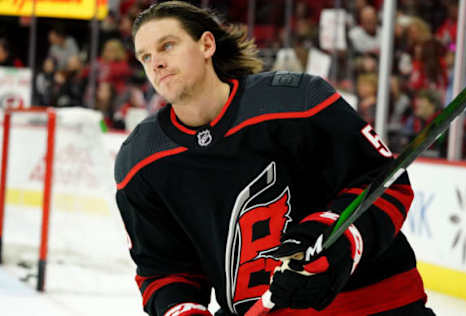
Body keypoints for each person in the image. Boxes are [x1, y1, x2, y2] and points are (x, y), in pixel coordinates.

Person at [114, 2, 434, 316]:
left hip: (375, 305)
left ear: (206, 44)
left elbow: (386, 185)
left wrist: (332, 240)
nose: (155, 62)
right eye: (145, 56)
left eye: (167, 45)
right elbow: (162, 269)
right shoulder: (141, 161)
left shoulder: (298, 102)